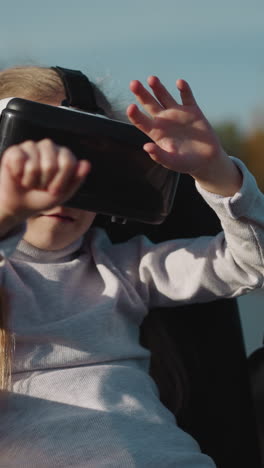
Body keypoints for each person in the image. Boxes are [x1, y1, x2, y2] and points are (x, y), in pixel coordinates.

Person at [0, 65, 263, 468]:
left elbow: (250, 265)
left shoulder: (125, 268)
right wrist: (8, 210)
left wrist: (218, 175)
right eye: (37, 167)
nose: (63, 191)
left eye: (90, 169)